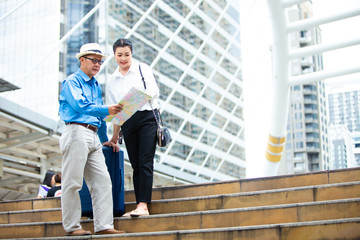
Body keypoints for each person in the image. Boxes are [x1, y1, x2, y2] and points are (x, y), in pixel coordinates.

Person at [59, 43, 125, 236]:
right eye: (93, 60)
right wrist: (107, 109)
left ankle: (103, 225)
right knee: (72, 182)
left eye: (100, 61)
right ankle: (72, 227)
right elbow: (81, 106)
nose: (97, 64)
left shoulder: (95, 85)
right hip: (76, 132)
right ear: (82, 60)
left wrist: (105, 139)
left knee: (103, 181)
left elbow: (99, 117)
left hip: (93, 135)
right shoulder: (71, 81)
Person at [108, 38, 160, 217]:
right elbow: (115, 110)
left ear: (132, 54)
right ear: (114, 55)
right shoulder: (112, 80)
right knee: (136, 164)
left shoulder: (141, 68)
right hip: (127, 121)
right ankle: (140, 204)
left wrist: (132, 101)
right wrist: (114, 138)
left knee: (145, 161)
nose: (123, 59)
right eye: (119, 55)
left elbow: (153, 91)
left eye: (127, 55)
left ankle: (143, 205)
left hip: (146, 118)